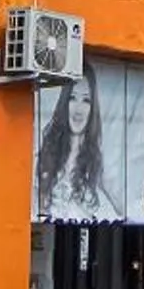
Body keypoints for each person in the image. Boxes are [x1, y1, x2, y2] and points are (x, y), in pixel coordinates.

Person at [35, 75, 112, 222]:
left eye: (86, 100)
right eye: (72, 98)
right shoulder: (44, 157)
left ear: (92, 108)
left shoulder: (98, 167)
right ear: (64, 102)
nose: (78, 109)